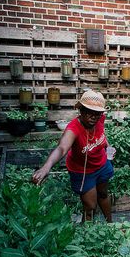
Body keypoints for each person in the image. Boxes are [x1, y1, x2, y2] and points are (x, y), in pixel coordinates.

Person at [32, 90, 114, 222]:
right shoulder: (74, 128)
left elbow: (101, 134)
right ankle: (87, 237)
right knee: (90, 206)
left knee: (103, 194)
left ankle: (110, 224)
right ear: (81, 110)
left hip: (102, 165)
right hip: (83, 171)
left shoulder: (99, 120)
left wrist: (107, 147)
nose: (93, 116)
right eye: (89, 111)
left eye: (97, 113)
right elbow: (62, 148)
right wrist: (46, 167)